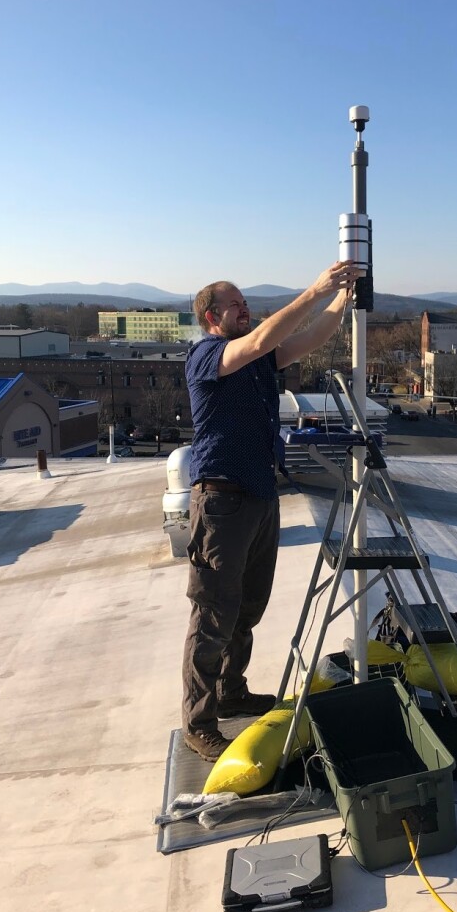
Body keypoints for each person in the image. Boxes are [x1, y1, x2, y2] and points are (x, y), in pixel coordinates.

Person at [181, 260, 362, 761]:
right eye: (236, 304)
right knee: (214, 613)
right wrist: (315, 288)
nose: (245, 309)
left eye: (245, 303)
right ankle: (199, 721)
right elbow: (260, 341)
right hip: (221, 503)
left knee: (246, 609)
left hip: (259, 497)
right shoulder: (206, 356)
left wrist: (342, 300)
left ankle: (231, 692)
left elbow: (309, 338)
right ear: (211, 316)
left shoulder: (256, 360)